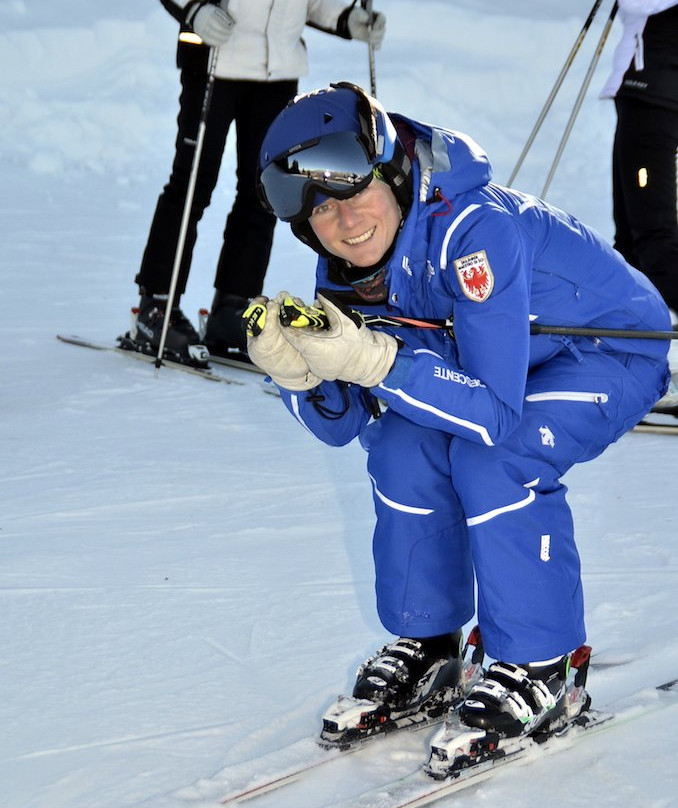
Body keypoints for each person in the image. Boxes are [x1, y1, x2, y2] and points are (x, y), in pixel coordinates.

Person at [245, 83, 671, 747]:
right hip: (503, 361)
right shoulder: (348, 270)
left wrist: (376, 361)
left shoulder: (475, 231)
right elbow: (346, 425)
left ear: (389, 171)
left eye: (353, 194)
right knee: (401, 447)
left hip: (606, 347)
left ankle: (543, 663)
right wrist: (300, 376)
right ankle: (429, 638)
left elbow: (496, 418)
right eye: (320, 213)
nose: (344, 223)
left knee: (495, 458)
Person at [131, 0, 386, 363]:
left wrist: (346, 18)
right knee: (193, 185)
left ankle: (232, 307)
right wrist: (196, 10)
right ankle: (155, 305)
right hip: (214, 56)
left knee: (263, 189)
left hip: (276, 71)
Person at [600, 0, 678, 315]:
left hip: (655, 100)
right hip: (642, 96)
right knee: (630, 239)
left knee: (653, 238)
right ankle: (632, 343)